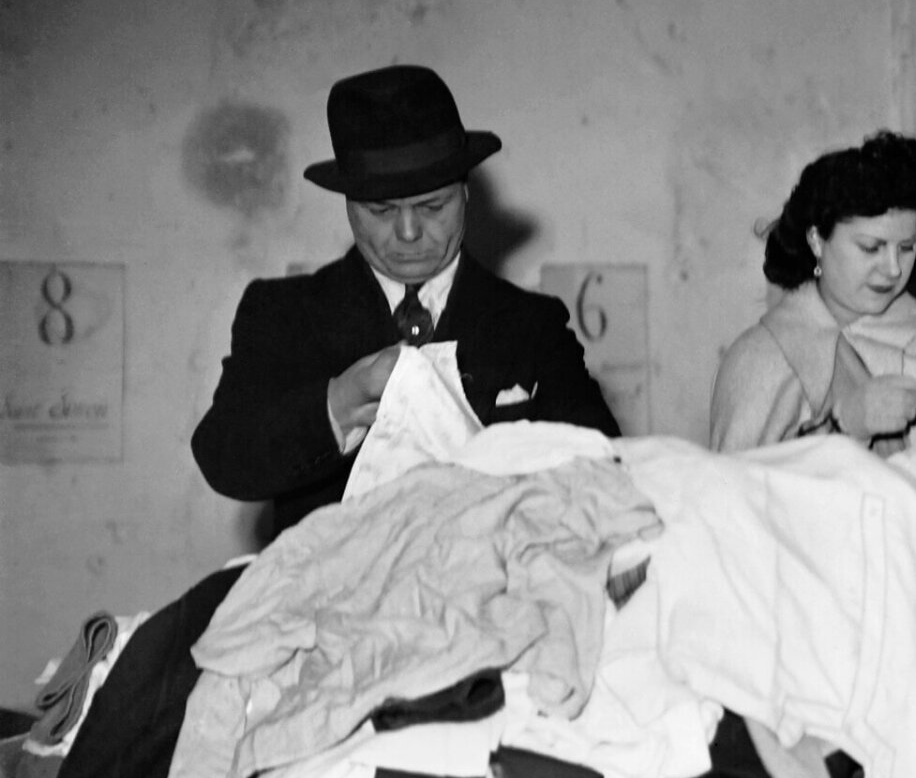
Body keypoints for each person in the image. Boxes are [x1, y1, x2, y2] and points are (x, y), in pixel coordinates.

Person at [192, 65, 618, 535]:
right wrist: (337, 405)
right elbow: (223, 457)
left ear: (466, 194)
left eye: (433, 207)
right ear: (350, 206)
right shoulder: (285, 313)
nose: (409, 232)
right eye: (382, 211)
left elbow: (606, 469)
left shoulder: (530, 324)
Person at [709, 132, 916, 461]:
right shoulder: (760, 360)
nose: (893, 268)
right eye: (871, 247)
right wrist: (845, 426)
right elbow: (738, 496)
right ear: (817, 240)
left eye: (906, 247)